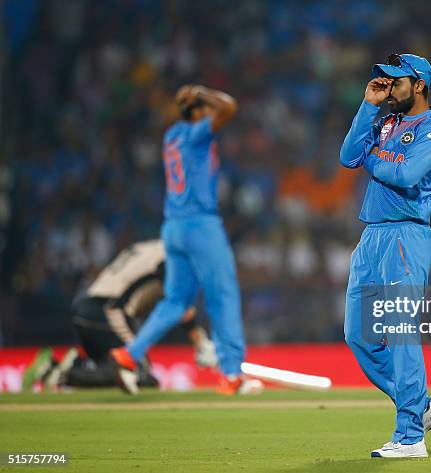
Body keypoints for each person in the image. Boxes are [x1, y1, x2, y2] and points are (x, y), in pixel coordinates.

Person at [110, 85, 261, 395]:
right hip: (200, 225)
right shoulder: (195, 133)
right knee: (223, 295)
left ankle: (129, 355)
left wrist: (192, 101)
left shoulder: (172, 135)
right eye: (205, 110)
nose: (211, 116)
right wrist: (202, 94)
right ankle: (232, 373)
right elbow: (229, 107)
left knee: (175, 300)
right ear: (198, 112)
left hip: (173, 227)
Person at [339, 53, 431, 458]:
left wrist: (373, 157)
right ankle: (421, 407)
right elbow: (346, 156)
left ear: (419, 85)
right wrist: (367, 105)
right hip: (371, 237)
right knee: (359, 336)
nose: (388, 88)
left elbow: (405, 175)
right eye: (382, 82)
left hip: (406, 235)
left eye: (395, 82)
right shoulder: (384, 120)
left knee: (402, 334)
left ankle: (410, 437)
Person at [22, 240, 217, 391]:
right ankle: (55, 372)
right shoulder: (171, 260)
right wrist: (201, 344)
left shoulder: (149, 247)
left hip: (88, 308)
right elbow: (179, 305)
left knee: (112, 369)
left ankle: (74, 364)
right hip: (107, 312)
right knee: (139, 376)